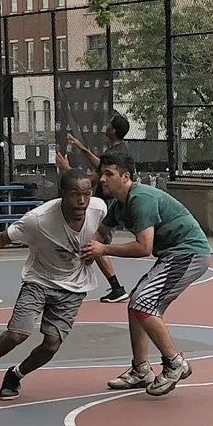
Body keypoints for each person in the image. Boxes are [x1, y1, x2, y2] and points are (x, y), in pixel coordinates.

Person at [0, 169, 107, 401]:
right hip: (39, 280)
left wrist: (96, 245)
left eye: (86, 194)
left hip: (73, 286)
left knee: (52, 345)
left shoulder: (99, 209)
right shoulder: (38, 219)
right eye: (75, 194)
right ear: (61, 193)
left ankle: (16, 375)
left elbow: (104, 230)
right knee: (17, 334)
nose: (82, 201)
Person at [83, 154, 210, 397]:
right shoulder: (119, 204)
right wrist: (85, 252)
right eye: (102, 174)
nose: (102, 179)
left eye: (109, 174)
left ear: (126, 177)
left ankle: (174, 363)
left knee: (143, 303)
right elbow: (99, 233)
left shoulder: (141, 198)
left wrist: (104, 249)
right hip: (174, 255)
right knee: (136, 305)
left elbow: (144, 247)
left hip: (189, 253)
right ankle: (141, 370)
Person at [57, 114, 135, 303]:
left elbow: (96, 173)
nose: (106, 127)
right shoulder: (118, 150)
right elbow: (97, 171)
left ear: (114, 130)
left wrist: (68, 169)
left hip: (105, 205)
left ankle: (116, 287)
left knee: (96, 245)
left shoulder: (118, 153)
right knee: (92, 244)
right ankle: (111, 286)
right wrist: (80, 147)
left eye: (109, 125)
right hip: (106, 204)